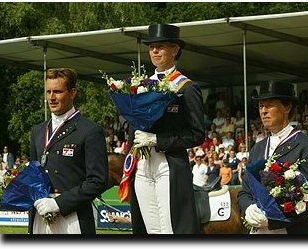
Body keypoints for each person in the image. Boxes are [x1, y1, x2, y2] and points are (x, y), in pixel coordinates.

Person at [128, 24, 204, 234]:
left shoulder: (187, 88)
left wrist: (157, 140)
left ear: (174, 50)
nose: (155, 51)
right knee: (150, 230)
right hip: (142, 165)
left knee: (170, 229)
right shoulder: (139, 86)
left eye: (160, 46)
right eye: (152, 47)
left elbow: (197, 134)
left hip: (167, 164)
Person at [238, 81, 308, 234]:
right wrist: (248, 209)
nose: (263, 111)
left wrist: (273, 218)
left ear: (287, 107)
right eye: (260, 106)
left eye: (269, 105)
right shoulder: (257, 148)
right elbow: (244, 192)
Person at [29, 68, 109, 234]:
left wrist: (59, 203)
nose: (51, 97)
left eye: (57, 92)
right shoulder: (37, 130)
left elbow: (97, 181)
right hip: (39, 215)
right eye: (48, 92)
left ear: (72, 93)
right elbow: (34, 173)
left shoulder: (90, 130)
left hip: (73, 217)